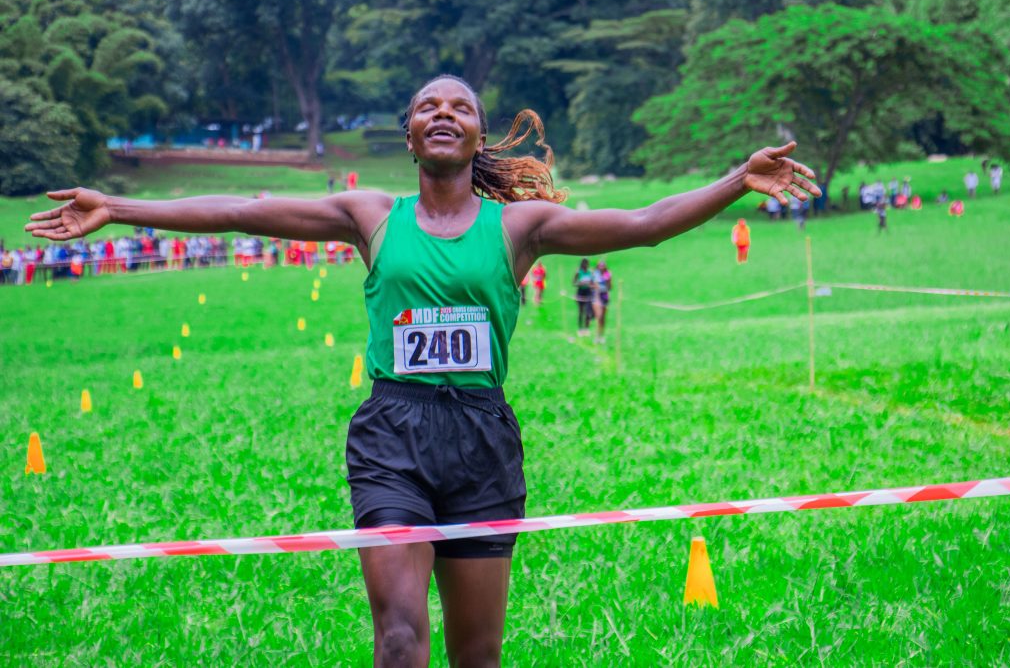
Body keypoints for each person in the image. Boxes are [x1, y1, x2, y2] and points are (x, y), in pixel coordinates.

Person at [25, 74, 820, 666]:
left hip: (482, 440)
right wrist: (119, 209)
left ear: (478, 138)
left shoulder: (520, 226)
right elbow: (238, 211)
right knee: (400, 635)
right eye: (427, 107)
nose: (443, 114)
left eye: (460, 107)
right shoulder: (370, 215)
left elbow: (644, 223)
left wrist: (735, 181)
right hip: (392, 437)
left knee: (477, 655)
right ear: (409, 135)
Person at [591, 260, 613, 344]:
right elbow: (591, 285)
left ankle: (602, 336)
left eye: (603, 265)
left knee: (603, 318)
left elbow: (610, 287)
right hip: (596, 296)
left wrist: (608, 280)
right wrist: (595, 286)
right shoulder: (594, 274)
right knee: (599, 317)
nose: (601, 267)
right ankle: (597, 336)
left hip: (605, 296)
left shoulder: (607, 274)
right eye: (600, 265)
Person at [573, 258, 595, 335]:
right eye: (584, 263)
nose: (585, 265)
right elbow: (574, 283)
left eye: (586, 263)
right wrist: (580, 284)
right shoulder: (578, 272)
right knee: (581, 311)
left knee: (588, 311)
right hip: (580, 292)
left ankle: (586, 328)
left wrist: (590, 285)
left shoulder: (590, 272)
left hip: (588, 292)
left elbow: (593, 283)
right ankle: (580, 329)